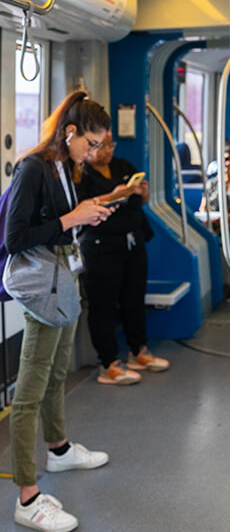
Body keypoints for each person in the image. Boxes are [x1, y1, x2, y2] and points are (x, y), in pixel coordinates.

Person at [6, 90, 113, 532]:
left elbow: (59, 223)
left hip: (62, 280)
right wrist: (72, 220)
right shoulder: (33, 168)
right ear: (70, 133)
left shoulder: (64, 168)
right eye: (90, 144)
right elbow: (16, 238)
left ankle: (60, 449)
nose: (92, 154)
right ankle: (27, 497)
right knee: (28, 391)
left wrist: (85, 216)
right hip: (40, 289)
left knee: (54, 375)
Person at [77, 132, 169, 385]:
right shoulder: (81, 175)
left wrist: (142, 192)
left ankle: (138, 350)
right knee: (103, 305)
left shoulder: (123, 166)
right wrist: (117, 194)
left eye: (110, 145)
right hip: (100, 246)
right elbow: (81, 208)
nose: (108, 150)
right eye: (101, 146)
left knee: (134, 299)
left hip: (132, 241)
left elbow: (140, 202)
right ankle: (108, 363)